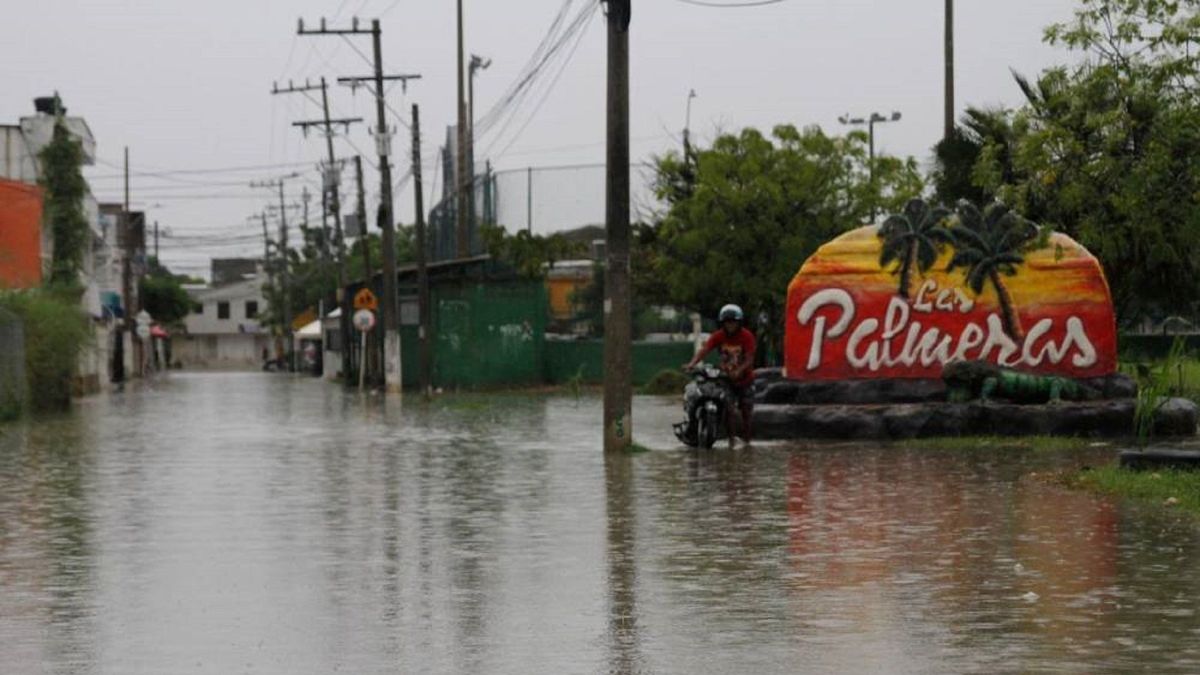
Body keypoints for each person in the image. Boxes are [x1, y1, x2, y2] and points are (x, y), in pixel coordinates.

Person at [684, 304, 757, 447]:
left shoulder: (747, 336)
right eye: (727, 322)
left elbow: (750, 358)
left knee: (746, 411)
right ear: (722, 323)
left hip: (745, 379)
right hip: (725, 378)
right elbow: (704, 350)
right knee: (728, 409)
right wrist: (692, 363)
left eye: (733, 322)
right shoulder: (718, 336)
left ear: (739, 323)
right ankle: (731, 441)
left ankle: (748, 441)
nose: (730, 325)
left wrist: (740, 370)